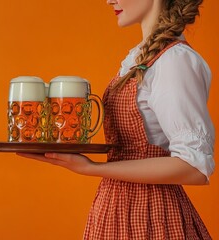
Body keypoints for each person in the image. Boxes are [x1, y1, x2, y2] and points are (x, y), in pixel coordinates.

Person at [18, 0, 215, 238]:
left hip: (152, 217)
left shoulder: (174, 61)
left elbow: (193, 167)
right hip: (114, 208)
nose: (109, 0)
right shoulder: (141, 57)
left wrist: (92, 168)